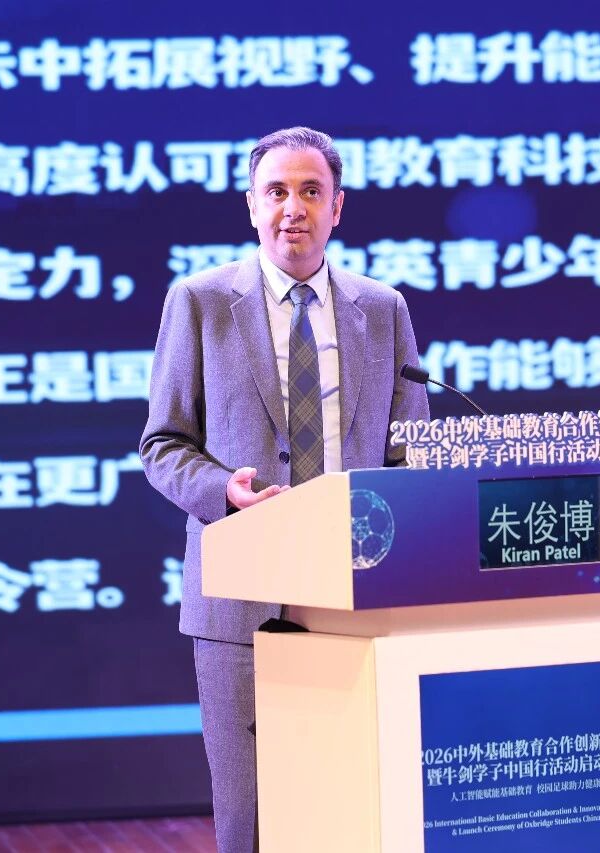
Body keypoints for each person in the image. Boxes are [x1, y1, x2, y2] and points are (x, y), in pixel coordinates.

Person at [139, 126, 429, 853]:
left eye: (310, 191)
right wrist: (222, 491)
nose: (292, 208)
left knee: (355, 802)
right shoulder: (200, 302)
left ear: (338, 207)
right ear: (251, 205)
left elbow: (411, 452)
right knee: (252, 817)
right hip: (240, 599)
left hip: (355, 592)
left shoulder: (382, 309)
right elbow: (162, 444)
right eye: (276, 191)